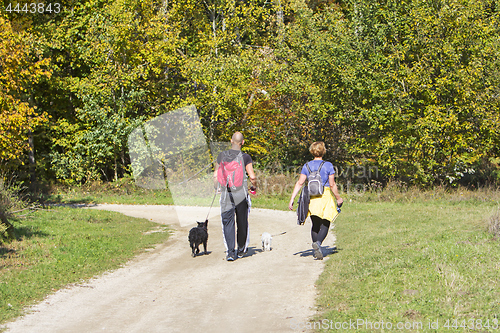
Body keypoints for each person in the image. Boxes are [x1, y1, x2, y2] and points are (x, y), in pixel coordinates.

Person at [288, 141, 343, 260]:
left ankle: (315, 248)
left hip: (312, 198)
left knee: (315, 224)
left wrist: (292, 198)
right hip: (325, 196)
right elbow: (332, 184)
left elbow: (300, 183)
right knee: (326, 223)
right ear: (323, 151)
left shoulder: (306, 166)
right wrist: (338, 198)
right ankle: (318, 244)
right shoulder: (328, 165)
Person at [214, 132, 257, 261]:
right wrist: (253, 187)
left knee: (228, 222)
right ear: (242, 143)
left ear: (231, 141)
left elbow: (216, 176)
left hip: (226, 193)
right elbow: (253, 177)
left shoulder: (221, 156)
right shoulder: (245, 157)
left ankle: (231, 252)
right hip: (241, 193)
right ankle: (242, 249)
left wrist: (217, 187)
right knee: (242, 221)